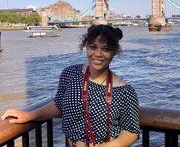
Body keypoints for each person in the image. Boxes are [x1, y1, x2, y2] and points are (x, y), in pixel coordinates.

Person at [1, 24, 140, 147]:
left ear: (114, 52)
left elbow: (131, 132)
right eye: (93, 47)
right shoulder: (71, 73)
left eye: (106, 49)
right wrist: (29, 115)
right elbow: (59, 105)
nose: (98, 54)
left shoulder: (125, 91)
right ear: (86, 47)